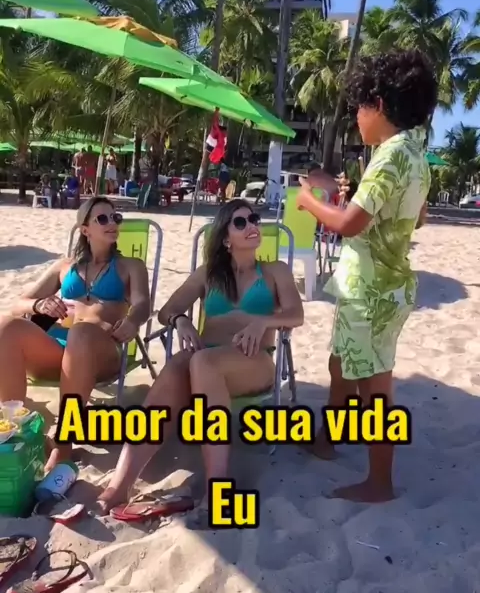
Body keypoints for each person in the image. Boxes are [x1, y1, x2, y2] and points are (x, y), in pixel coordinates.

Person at [97, 199, 304, 512]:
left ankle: (216, 486)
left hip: (253, 360)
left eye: (254, 219)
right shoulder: (208, 274)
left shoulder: (275, 271)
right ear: (225, 238)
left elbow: (296, 315)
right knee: (179, 364)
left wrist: (263, 321)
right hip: (205, 360)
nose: (252, 226)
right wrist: (182, 321)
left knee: (200, 361)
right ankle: (120, 484)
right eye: (240, 222)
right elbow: (167, 311)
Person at [296, 49, 437, 503]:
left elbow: (348, 224)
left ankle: (379, 481)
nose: (356, 117)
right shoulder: (415, 154)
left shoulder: (389, 155)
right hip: (383, 284)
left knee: (374, 386)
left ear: (378, 103)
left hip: (372, 290)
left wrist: (309, 201)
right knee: (340, 364)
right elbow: (418, 217)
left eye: (360, 106)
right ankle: (327, 440)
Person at [0, 197, 151, 473]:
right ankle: (14, 429)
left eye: (115, 217)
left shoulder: (131, 265)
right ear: (85, 230)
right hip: (59, 348)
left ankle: (64, 441)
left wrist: (133, 320)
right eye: (102, 218)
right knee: (6, 326)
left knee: (81, 333)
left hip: (102, 348)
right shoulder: (64, 267)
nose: (112, 223)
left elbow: (143, 304)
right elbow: (20, 302)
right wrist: (40, 305)